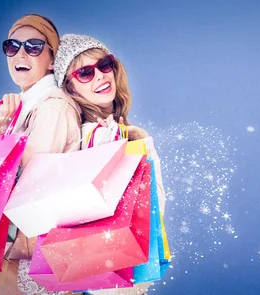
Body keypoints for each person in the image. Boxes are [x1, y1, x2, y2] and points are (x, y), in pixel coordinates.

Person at [54, 33, 168, 295]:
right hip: (100, 276)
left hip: (118, 272)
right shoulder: (88, 136)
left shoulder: (128, 132)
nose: (100, 76)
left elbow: (154, 204)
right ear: (71, 88)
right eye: (85, 73)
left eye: (104, 65)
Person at [0, 14, 82, 295]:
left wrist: (0, 132)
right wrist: (1, 125)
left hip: (33, 257)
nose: (21, 53)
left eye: (34, 46)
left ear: (52, 60)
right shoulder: (24, 106)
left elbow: (27, 190)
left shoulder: (52, 108)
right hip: (19, 249)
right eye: (12, 46)